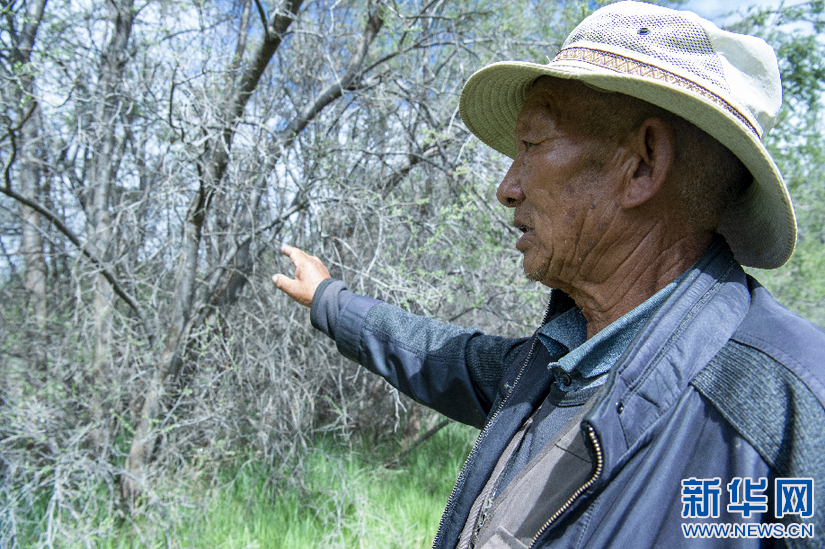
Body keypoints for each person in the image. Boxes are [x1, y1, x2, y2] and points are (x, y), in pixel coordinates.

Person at [272, 2, 825, 547]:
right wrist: (328, 299)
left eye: (532, 144)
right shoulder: (555, 363)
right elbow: (442, 356)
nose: (507, 188)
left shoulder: (794, 410)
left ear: (642, 165)